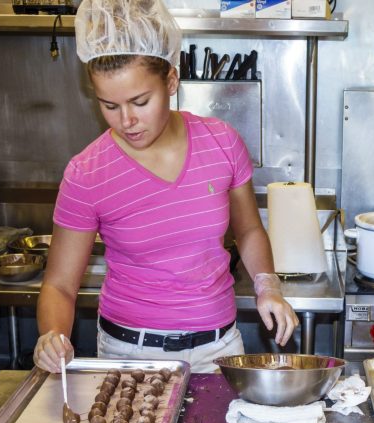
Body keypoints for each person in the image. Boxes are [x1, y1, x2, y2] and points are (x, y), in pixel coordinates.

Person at [33, 0, 298, 374]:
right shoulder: (87, 173)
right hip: (129, 354)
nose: (126, 121)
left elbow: (249, 229)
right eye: (109, 105)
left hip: (218, 347)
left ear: (171, 81)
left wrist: (267, 285)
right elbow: (59, 285)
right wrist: (52, 334)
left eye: (140, 102)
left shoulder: (221, 143)